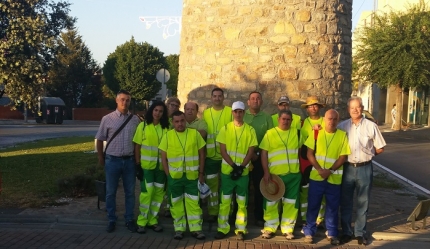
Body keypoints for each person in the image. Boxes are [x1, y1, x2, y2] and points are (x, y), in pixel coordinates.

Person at [338, 96, 386, 245]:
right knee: (345, 201)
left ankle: (360, 232)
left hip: (365, 168)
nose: (355, 110)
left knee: (363, 202)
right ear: (348, 110)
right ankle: (346, 232)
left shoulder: (371, 126)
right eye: (352, 108)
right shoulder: (342, 126)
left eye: (357, 107)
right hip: (347, 168)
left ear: (362, 107)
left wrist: (369, 155)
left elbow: (380, 147)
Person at [302, 109, 350, 245]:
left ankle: (332, 232)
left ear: (338, 120)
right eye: (329, 118)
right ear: (324, 119)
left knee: (332, 207)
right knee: (313, 205)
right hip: (317, 177)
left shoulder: (342, 135)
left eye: (335, 119)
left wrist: (329, 170)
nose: (332, 121)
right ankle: (309, 231)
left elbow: (343, 157)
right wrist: (319, 169)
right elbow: (309, 153)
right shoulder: (316, 132)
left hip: (333, 178)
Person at [95, 90, 141, 233]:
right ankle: (111, 219)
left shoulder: (135, 120)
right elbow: (100, 138)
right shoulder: (107, 119)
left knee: (130, 192)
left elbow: (137, 142)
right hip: (112, 160)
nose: (124, 102)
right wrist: (101, 157)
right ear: (116, 100)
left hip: (129, 162)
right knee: (110, 192)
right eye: (122, 99)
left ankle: (129, 219)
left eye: (127, 100)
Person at [159, 111, 206, 240]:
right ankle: (179, 229)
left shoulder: (194, 134)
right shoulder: (168, 136)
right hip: (175, 178)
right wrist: (168, 175)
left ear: (185, 120)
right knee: (176, 204)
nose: (180, 124)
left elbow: (202, 154)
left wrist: (201, 173)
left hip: (192, 177)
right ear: (172, 123)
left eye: (182, 121)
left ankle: (196, 229)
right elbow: (164, 158)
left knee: (194, 204)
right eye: (177, 121)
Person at [214, 101, 257, 241]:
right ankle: (222, 228)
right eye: (236, 111)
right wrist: (234, 166)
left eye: (241, 111)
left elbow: (251, 150)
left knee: (242, 202)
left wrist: (242, 167)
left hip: (243, 173)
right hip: (228, 172)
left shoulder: (250, 130)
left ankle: (241, 229)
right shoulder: (225, 129)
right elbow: (222, 150)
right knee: (225, 201)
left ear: (244, 113)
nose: (238, 114)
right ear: (232, 113)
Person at [260, 110, 302, 240]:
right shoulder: (270, 133)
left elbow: (301, 151)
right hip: (275, 175)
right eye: (283, 119)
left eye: (288, 119)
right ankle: (269, 227)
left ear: (292, 120)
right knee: (271, 203)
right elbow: (264, 153)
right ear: (278, 119)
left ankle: (288, 229)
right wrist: (266, 172)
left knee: (291, 203)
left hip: (293, 175)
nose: (286, 121)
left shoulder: (297, 133)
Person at [132, 101, 169, 234]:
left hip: (160, 168)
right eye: (155, 110)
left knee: (159, 194)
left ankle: (153, 220)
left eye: (160, 111)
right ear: (151, 111)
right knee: (147, 194)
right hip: (146, 167)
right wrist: (137, 164)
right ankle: (142, 221)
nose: (157, 113)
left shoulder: (166, 128)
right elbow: (137, 146)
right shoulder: (142, 126)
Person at [202, 88, 233, 222]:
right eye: (215, 96)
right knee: (212, 186)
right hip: (210, 156)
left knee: (227, 186)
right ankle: (213, 212)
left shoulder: (229, 112)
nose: (217, 98)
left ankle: (228, 212)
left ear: (223, 97)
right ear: (211, 98)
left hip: (226, 156)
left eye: (220, 96)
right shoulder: (206, 113)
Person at [244, 91, 274, 226]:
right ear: (248, 102)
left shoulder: (267, 118)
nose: (255, 100)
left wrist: (258, 154)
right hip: (243, 157)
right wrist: (250, 154)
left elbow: (269, 139)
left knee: (259, 188)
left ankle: (258, 217)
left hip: (260, 158)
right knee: (242, 188)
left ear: (261, 102)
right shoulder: (241, 116)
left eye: (258, 98)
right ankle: (239, 216)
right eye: (252, 99)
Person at [299, 96, 326, 228]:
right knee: (305, 190)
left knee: (321, 190)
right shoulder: (303, 124)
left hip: (321, 159)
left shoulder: (325, 121)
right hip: (306, 160)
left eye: (315, 105)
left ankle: (320, 218)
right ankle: (304, 217)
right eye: (310, 106)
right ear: (307, 109)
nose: (313, 108)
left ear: (320, 107)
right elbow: (301, 144)